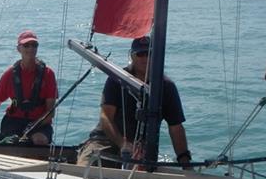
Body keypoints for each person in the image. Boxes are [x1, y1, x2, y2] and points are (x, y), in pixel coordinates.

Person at [77, 35, 192, 168]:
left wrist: (185, 161)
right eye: (140, 54)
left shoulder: (166, 87)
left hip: (141, 148)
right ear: (132, 56)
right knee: (85, 168)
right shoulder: (117, 79)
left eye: (149, 53)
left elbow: (176, 127)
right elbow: (105, 117)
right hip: (105, 141)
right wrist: (122, 144)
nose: (145, 58)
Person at [0, 30, 58, 145]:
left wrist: (35, 125)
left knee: (39, 140)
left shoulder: (48, 74)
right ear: (19, 49)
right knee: (10, 143)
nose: (31, 49)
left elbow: (50, 112)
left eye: (34, 45)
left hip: (39, 123)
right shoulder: (10, 74)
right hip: (13, 120)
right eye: (26, 45)